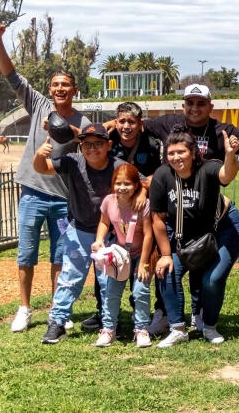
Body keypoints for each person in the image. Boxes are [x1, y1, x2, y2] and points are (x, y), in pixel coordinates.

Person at [106, 83, 239, 339]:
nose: (194, 108)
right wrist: (108, 125)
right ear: (183, 106)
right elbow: (133, 124)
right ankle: (166, 315)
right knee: (166, 263)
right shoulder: (168, 124)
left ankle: (199, 314)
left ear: (210, 106)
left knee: (203, 269)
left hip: (208, 213)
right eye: (190, 103)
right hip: (174, 211)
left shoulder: (220, 131)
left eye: (200, 103)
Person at [0, 23, 92, 334]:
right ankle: (24, 308)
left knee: (60, 258)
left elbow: (90, 144)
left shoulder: (83, 120)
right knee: (26, 254)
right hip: (32, 192)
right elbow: (11, 75)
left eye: (66, 85)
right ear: (50, 89)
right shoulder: (37, 104)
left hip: (63, 199)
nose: (60, 89)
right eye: (55, 84)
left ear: (75, 90)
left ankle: (58, 312)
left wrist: (64, 129)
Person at [33, 123, 146, 344]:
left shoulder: (119, 166)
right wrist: (39, 155)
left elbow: (142, 180)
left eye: (98, 144)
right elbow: (42, 168)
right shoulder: (73, 161)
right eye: (86, 144)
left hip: (110, 234)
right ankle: (57, 322)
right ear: (80, 146)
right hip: (79, 230)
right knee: (70, 278)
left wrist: (142, 191)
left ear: (109, 145)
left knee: (107, 282)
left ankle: (109, 324)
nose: (92, 149)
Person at [150, 126, 239, 348]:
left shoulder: (207, 169)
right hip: (189, 236)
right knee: (166, 271)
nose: (176, 157)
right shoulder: (162, 175)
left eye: (181, 152)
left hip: (224, 227)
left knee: (212, 279)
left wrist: (230, 155)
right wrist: (164, 255)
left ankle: (209, 326)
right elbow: (158, 219)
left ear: (193, 152)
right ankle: (178, 329)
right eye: (171, 153)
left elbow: (226, 175)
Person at [81, 102, 162, 333]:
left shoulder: (151, 145)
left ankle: (141, 317)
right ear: (116, 122)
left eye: (132, 122)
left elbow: (158, 174)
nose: (126, 126)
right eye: (122, 121)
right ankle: (102, 313)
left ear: (140, 124)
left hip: (139, 208)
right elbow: (86, 144)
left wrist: (143, 189)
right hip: (112, 206)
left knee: (142, 270)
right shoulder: (107, 141)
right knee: (106, 268)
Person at [90, 164, 154, 348]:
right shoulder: (109, 201)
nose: (122, 188)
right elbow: (104, 222)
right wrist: (99, 239)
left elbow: (149, 235)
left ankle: (141, 329)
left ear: (136, 185)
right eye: (118, 183)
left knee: (140, 291)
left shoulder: (143, 204)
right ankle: (109, 329)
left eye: (127, 183)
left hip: (142, 254)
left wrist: (143, 263)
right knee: (111, 292)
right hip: (120, 254)